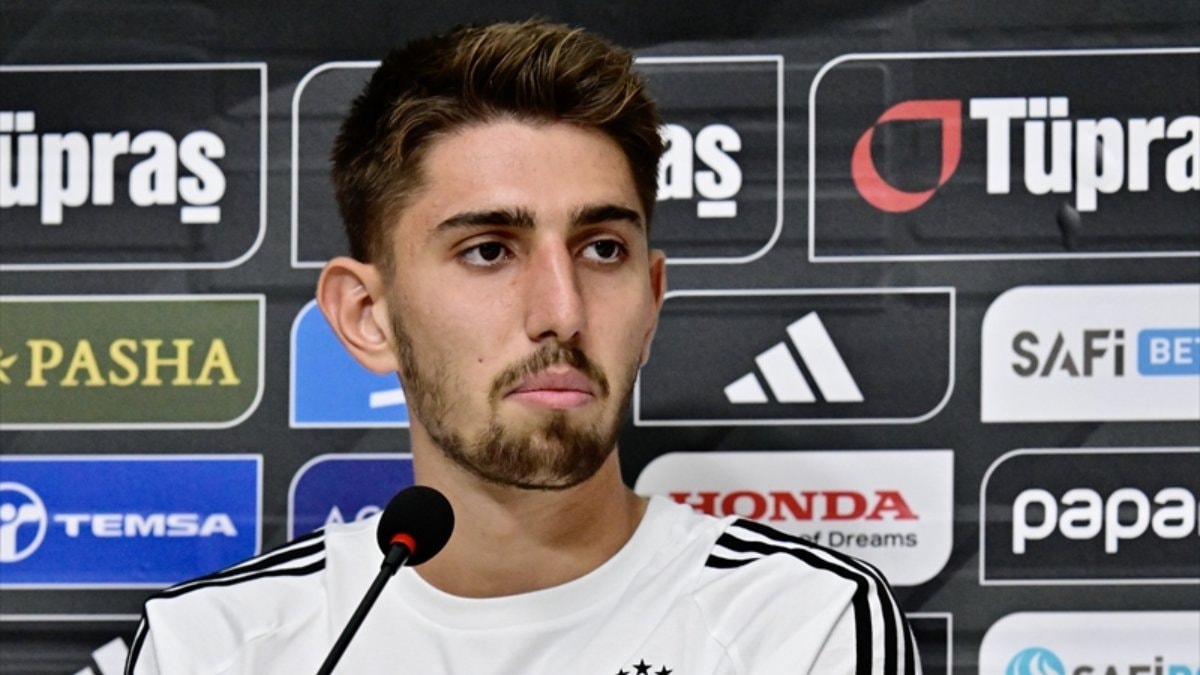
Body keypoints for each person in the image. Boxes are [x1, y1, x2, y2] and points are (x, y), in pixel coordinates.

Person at [126, 20, 921, 675]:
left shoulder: (803, 624)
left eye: (602, 249)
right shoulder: (211, 646)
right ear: (368, 316)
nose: (562, 312)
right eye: (488, 251)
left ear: (651, 300)